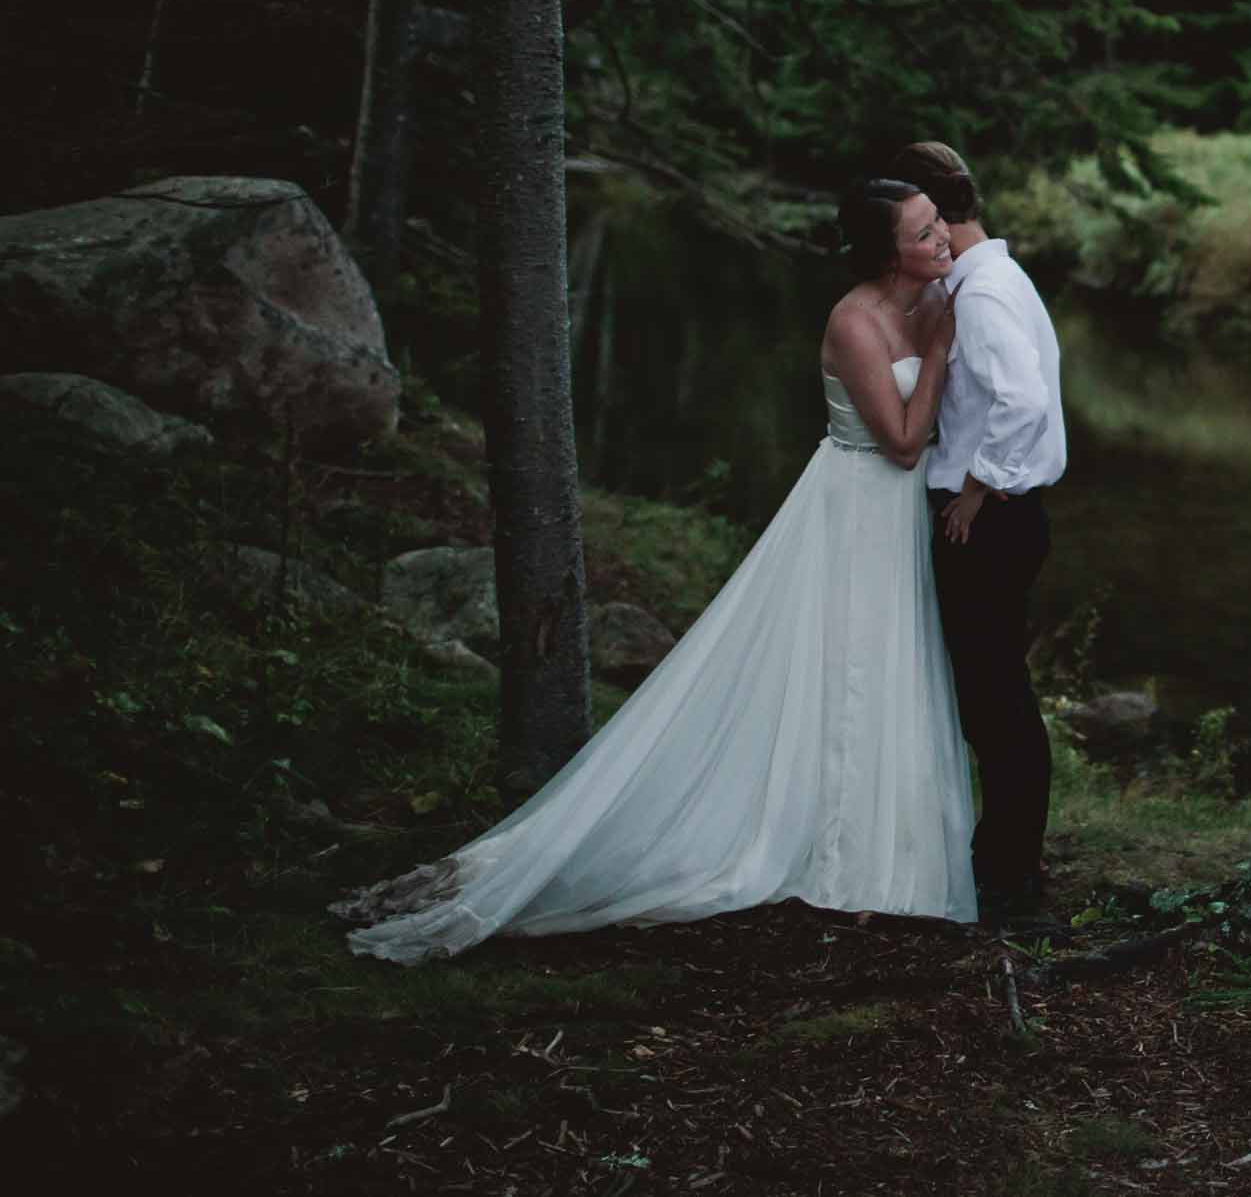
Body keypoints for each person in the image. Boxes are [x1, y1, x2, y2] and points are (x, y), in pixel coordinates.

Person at [334, 181, 979, 962]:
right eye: (923, 231)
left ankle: (879, 848)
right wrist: (942, 349)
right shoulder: (855, 320)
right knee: (844, 667)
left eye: (938, 222)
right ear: (887, 252)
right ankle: (831, 849)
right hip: (857, 510)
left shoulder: (933, 295)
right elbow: (904, 443)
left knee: (887, 670)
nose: (942, 236)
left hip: (899, 517)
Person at [887, 141, 1065, 921]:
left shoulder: (984, 293)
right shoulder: (989, 276)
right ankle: (1005, 860)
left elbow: (1021, 402)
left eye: (918, 220)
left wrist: (974, 489)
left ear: (938, 217)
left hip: (991, 521)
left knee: (996, 705)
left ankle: (1009, 875)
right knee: (995, 699)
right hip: (1003, 519)